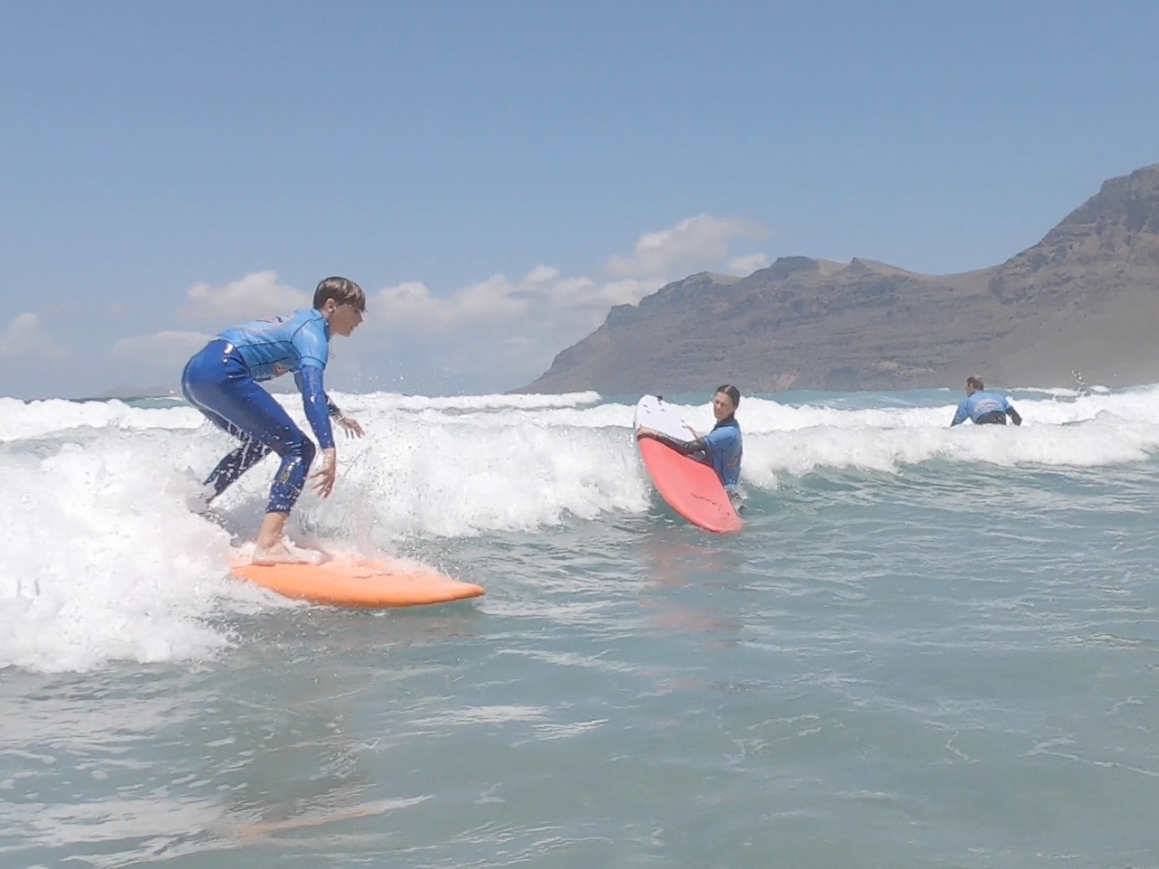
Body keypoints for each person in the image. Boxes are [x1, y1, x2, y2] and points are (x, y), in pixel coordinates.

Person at [181, 276, 367, 564]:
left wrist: (338, 416)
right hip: (224, 370)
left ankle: (198, 505)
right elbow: (312, 392)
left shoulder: (300, 325)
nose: (360, 320)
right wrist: (329, 449)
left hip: (195, 374)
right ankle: (268, 544)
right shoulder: (313, 334)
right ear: (332, 306)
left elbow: (307, 387)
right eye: (356, 310)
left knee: (260, 443)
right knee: (299, 449)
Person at [636, 385, 744, 492]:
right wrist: (699, 436)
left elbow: (686, 448)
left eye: (724, 404)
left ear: (734, 407)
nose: (718, 407)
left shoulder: (726, 432)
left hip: (725, 493)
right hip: (728, 488)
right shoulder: (731, 426)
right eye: (717, 402)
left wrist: (654, 433)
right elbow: (719, 446)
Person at [950, 375, 1023, 427]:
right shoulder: (997, 397)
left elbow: (954, 426)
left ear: (971, 386)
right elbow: (1017, 418)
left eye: (967, 386)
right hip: (1000, 416)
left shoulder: (966, 403)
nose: (965, 389)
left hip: (984, 418)